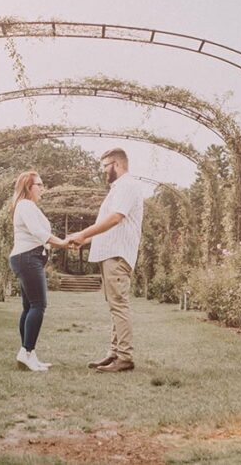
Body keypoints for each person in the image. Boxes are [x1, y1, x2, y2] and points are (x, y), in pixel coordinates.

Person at [67, 148, 145, 373]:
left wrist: (82, 233)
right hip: (111, 253)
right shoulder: (118, 189)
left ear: (117, 164)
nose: (103, 171)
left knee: (119, 305)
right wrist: (87, 239)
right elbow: (109, 225)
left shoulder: (127, 186)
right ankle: (115, 353)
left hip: (117, 255)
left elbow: (115, 218)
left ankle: (125, 357)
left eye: (105, 166)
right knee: (114, 305)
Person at [9, 170, 70, 372]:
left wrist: (62, 243)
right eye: (39, 185)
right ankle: (26, 352)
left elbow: (40, 233)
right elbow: (38, 232)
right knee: (38, 305)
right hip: (28, 258)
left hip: (26, 257)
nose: (43, 188)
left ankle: (29, 353)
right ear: (29, 187)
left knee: (29, 307)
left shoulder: (28, 206)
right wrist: (62, 243)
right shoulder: (26, 205)